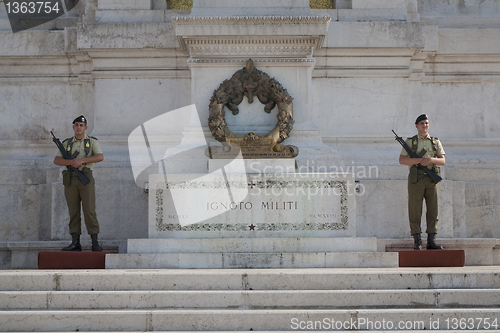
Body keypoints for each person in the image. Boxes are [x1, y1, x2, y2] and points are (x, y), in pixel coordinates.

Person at [54, 115, 104, 251]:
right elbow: (57, 160)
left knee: (89, 211)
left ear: (85, 127)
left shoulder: (92, 142)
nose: (78, 127)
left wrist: (82, 160)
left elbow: (100, 156)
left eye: (81, 125)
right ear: (73, 127)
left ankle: (95, 242)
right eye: (76, 125)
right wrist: (71, 162)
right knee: (73, 212)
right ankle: (75, 242)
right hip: (70, 180)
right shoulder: (67, 143)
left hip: (85, 180)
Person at [399, 114, 445, 250]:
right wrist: (419, 160)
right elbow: (402, 160)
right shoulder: (411, 141)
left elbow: (442, 160)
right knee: (415, 209)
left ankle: (431, 240)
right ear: (416, 126)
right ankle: (417, 240)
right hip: (416, 179)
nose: (424, 125)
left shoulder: (435, 142)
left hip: (431, 179)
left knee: (433, 209)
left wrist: (430, 160)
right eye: (421, 123)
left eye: (426, 123)